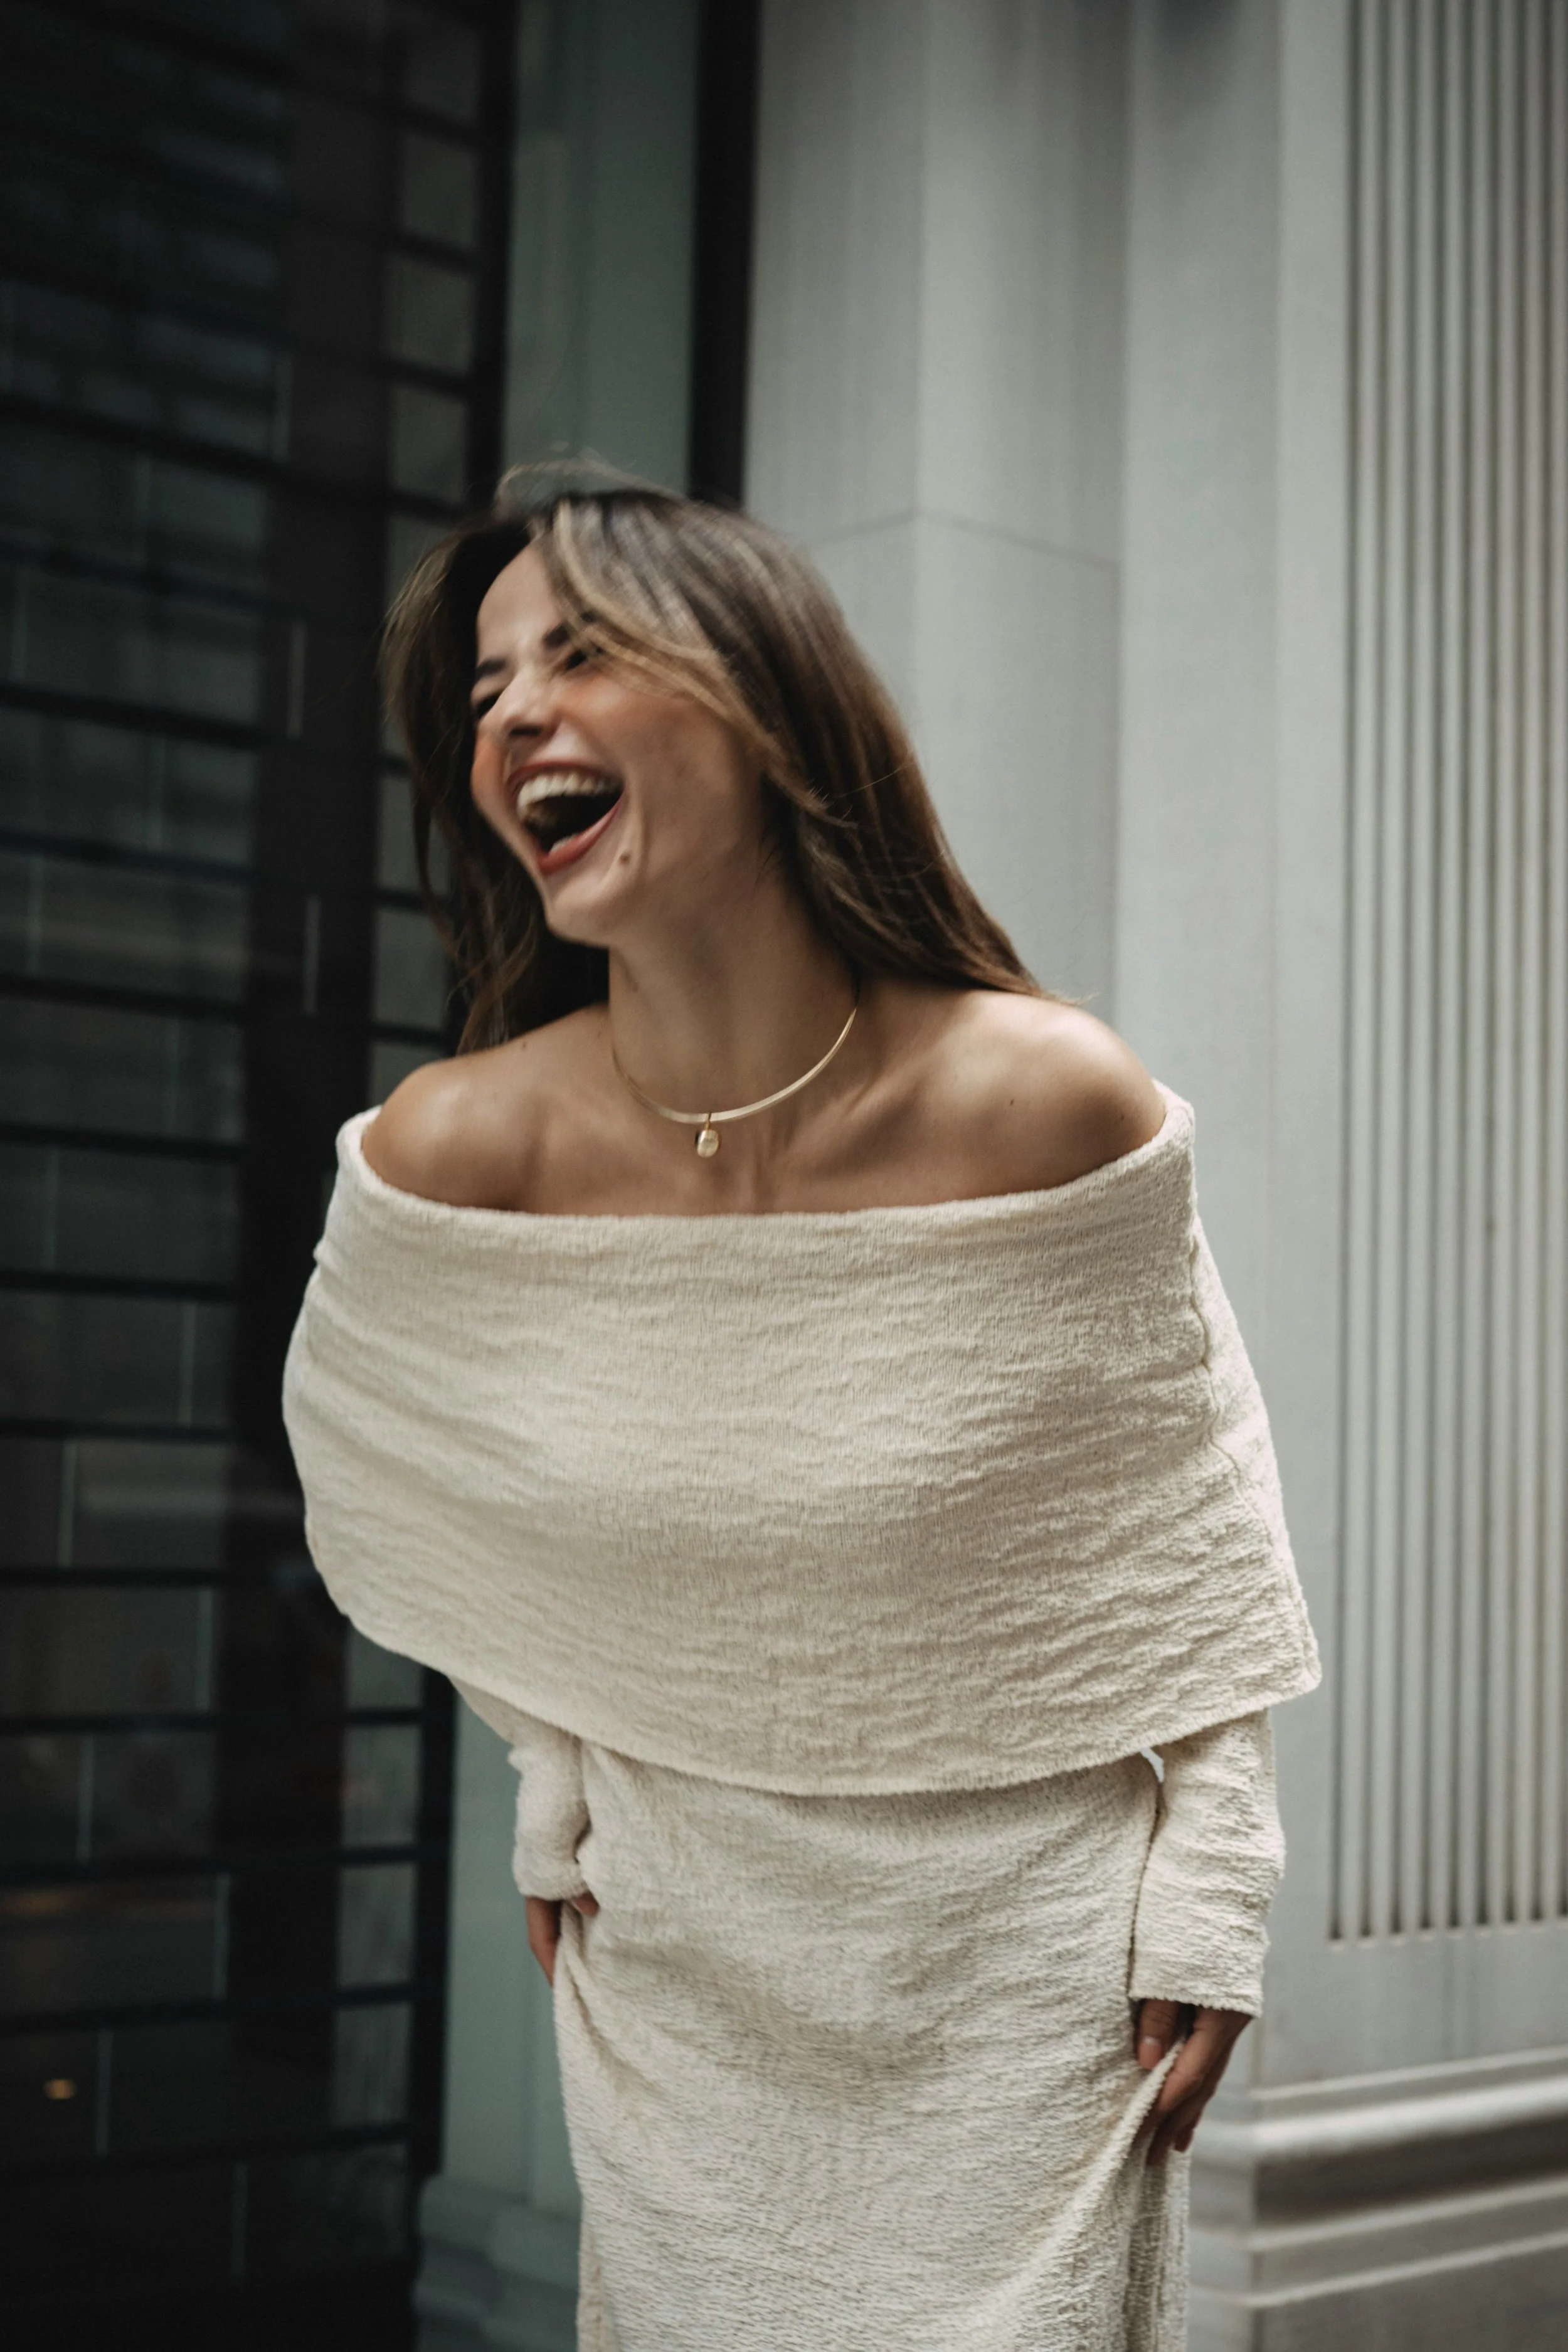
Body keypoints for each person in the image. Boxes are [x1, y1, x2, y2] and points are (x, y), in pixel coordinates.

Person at [283, 477, 1320, 2352]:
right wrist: (557, 1780)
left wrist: (1212, 1878)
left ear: (768, 710)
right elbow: (454, 1505)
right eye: (489, 681)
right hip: (688, 1954)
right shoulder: (466, 1150)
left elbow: (1182, 1517)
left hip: (1026, 1953)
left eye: (580, 651)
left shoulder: (1042, 1098)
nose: (512, 709)